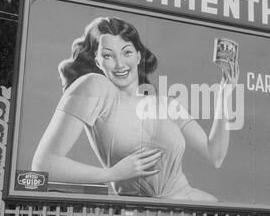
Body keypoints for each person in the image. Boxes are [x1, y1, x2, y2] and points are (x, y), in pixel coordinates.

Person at [32, 17, 239, 201]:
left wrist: (224, 95)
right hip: (137, 213)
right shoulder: (96, 86)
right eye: (108, 55)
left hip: (190, 203)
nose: (120, 64)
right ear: (97, 61)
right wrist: (111, 174)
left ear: (138, 57)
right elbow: (44, 164)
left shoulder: (166, 104)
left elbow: (216, 156)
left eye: (127, 52)